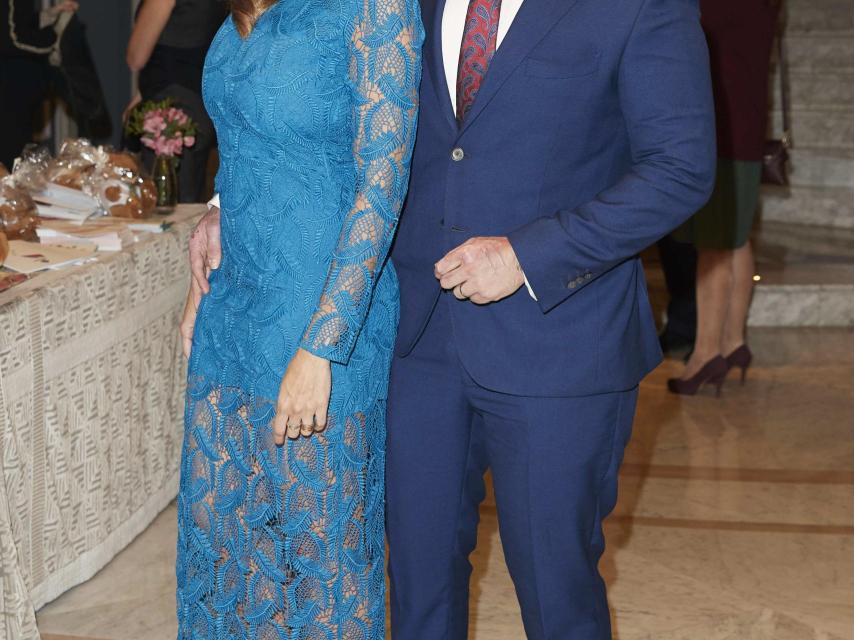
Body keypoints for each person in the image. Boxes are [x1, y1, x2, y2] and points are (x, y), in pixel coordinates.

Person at [188, 0, 715, 636]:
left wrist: (528, 255)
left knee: (555, 589)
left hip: (561, 341)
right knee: (417, 586)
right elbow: (334, 113)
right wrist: (230, 204)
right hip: (417, 339)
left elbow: (680, 169)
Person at [175, 0, 422, 635]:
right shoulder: (245, 9)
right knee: (225, 541)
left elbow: (381, 183)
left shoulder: (375, 6)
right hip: (235, 309)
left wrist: (324, 345)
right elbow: (247, 139)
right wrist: (216, 210)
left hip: (323, 309)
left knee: (320, 560)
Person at [669, 0, 782, 395]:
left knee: (713, 247)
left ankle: (704, 355)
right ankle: (733, 342)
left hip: (718, 135)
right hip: (746, 134)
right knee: (736, 239)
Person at [125, 0, 226, 202]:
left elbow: (136, 56)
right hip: (199, 105)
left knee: (164, 209)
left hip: (170, 113)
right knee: (186, 201)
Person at [0, 0, 78, 169]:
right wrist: (56, 36)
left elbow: (12, 21)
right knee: (10, 163)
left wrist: (47, 17)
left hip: (15, 88)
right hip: (9, 90)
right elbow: (12, 39)